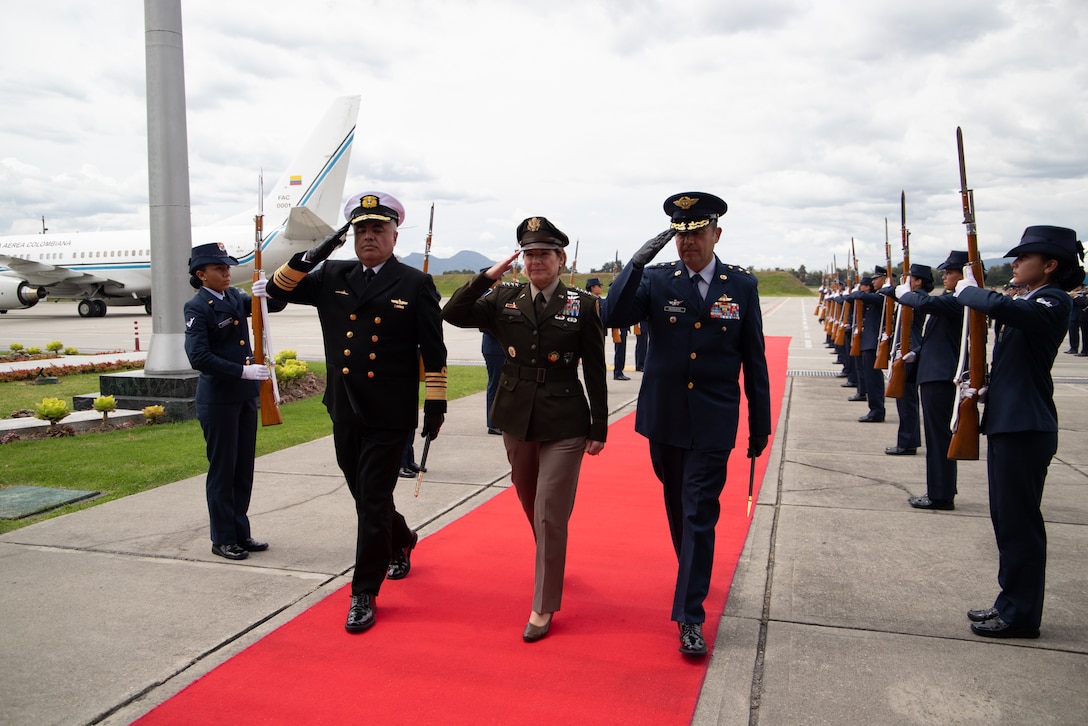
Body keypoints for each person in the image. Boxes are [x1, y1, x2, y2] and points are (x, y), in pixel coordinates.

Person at [264, 191, 447, 633]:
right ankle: (402, 539)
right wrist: (310, 256)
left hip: (390, 411)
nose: (369, 237)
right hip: (344, 407)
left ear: (393, 234)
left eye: (377, 229)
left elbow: (434, 350)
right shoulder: (332, 274)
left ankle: (364, 590)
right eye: (361, 230)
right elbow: (272, 295)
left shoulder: (413, 283)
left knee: (371, 498)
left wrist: (435, 405)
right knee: (368, 497)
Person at [601, 191, 771, 657]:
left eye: (696, 232)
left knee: (699, 511)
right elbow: (611, 315)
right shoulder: (656, 280)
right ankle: (692, 573)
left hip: (715, 419)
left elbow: (754, 359)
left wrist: (760, 425)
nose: (687, 242)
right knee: (679, 508)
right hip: (666, 417)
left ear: (716, 233)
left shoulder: (741, 285)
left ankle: (690, 616)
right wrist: (634, 264)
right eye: (680, 233)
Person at [443, 216, 607, 642]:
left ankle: (543, 605)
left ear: (560, 258)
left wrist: (599, 426)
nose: (536, 261)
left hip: (566, 419)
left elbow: (595, 368)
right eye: (529, 254)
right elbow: (453, 313)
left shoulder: (583, 305)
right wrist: (486, 277)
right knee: (529, 499)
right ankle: (551, 558)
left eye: (544, 254)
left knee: (551, 510)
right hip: (516, 416)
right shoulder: (504, 298)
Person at [955, 225, 1084, 638]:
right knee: (1006, 520)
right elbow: (1019, 363)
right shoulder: (1031, 299)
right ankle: (1008, 602)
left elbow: (1017, 313)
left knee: (1019, 523)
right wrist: (989, 387)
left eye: (1024, 258)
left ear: (1049, 266)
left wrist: (969, 291)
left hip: (1026, 427)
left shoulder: (1053, 299)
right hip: (1012, 421)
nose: (1014, 263)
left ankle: (1021, 615)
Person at [184, 242, 282, 561]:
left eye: (227, 268)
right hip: (220, 400)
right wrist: (241, 371)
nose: (227, 273)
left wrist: (267, 291)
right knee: (223, 470)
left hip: (243, 397)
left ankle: (241, 532)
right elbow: (198, 357)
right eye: (219, 268)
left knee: (243, 469)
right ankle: (223, 538)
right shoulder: (197, 307)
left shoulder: (234, 298)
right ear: (201, 275)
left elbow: (272, 307)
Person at [894, 253, 966, 509]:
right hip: (935, 372)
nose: (945, 276)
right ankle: (943, 487)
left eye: (951, 272)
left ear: (965, 275)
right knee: (938, 437)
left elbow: (923, 303)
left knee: (939, 438)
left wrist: (903, 292)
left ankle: (940, 494)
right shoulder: (951, 300)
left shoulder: (959, 300)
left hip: (941, 376)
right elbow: (937, 338)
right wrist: (919, 352)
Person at [881, 264, 930, 455]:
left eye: (910, 279)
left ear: (919, 282)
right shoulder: (911, 295)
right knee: (904, 400)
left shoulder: (921, 297)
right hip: (904, 348)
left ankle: (908, 442)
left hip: (911, 349)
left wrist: (896, 289)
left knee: (907, 400)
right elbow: (887, 292)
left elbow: (893, 293)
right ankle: (906, 440)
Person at [845, 269, 888, 421]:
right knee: (869, 378)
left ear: (884, 279)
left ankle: (877, 411)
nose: (873, 282)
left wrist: (857, 291)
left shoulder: (884, 295)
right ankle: (874, 409)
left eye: (876, 279)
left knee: (873, 379)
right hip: (867, 341)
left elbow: (858, 295)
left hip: (873, 342)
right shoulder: (878, 295)